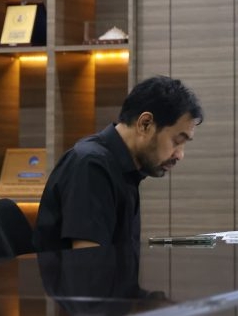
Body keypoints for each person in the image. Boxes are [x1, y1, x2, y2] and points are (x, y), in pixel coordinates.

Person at [33, 75, 204, 253]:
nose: (180, 155)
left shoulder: (127, 170)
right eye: (177, 141)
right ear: (145, 124)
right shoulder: (91, 166)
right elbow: (88, 262)